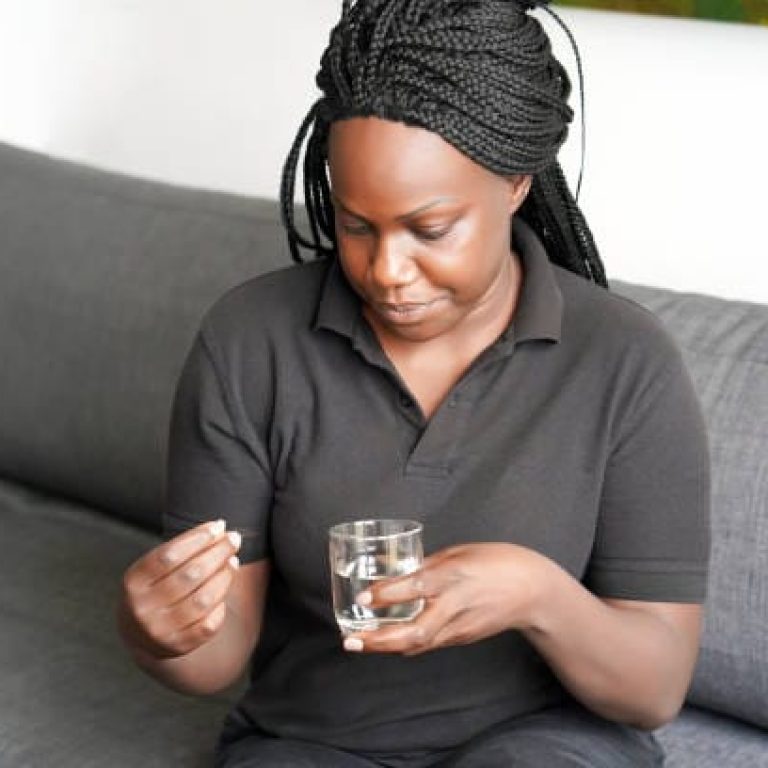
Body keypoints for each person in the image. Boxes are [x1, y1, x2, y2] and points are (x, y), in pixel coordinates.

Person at [117, 1, 711, 766]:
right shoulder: (251, 342)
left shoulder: (626, 362)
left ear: (517, 184)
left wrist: (537, 594)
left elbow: (653, 690)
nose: (386, 273)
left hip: (547, 745)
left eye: (430, 230)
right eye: (356, 225)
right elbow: (214, 660)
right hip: (314, 743)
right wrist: (155, 630)